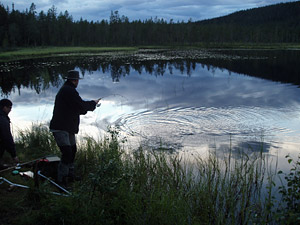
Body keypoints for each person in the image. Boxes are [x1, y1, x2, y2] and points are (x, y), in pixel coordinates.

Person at [49, 70, 100, 185]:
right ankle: (61, 180)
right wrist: (93, 103)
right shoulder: (69, 91)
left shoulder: (67, 90)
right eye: (77, 80)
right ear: (75, 81)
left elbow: (79, 108)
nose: (77, 82)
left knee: (73, 150)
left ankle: (70, 175)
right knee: (67, 153)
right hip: (60, 127)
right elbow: (81, 105)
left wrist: (89, 106)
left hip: (68, 127)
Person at [0, 99, 19, 170]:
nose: (10, 110)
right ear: (4, 107)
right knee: (3, 143)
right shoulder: (2, 119)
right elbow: (7, 137)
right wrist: (14, 155)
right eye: (10, 107)